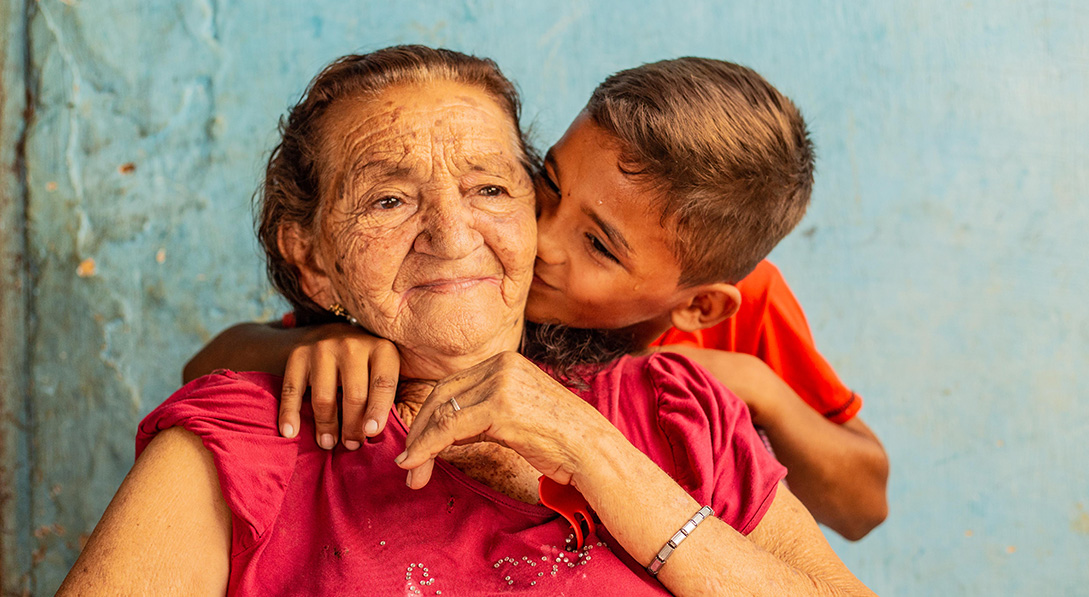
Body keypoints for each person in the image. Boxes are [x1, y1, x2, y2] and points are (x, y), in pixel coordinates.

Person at [59, 46, 874, 595]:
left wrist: (594, 444)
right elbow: (217, 367)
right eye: (388, 198)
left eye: (488, 187)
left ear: (694, 305)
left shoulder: (682, 397)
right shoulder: (261, 423)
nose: (458, 237)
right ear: (312, 259)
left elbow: (862, 498)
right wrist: (312, 340)